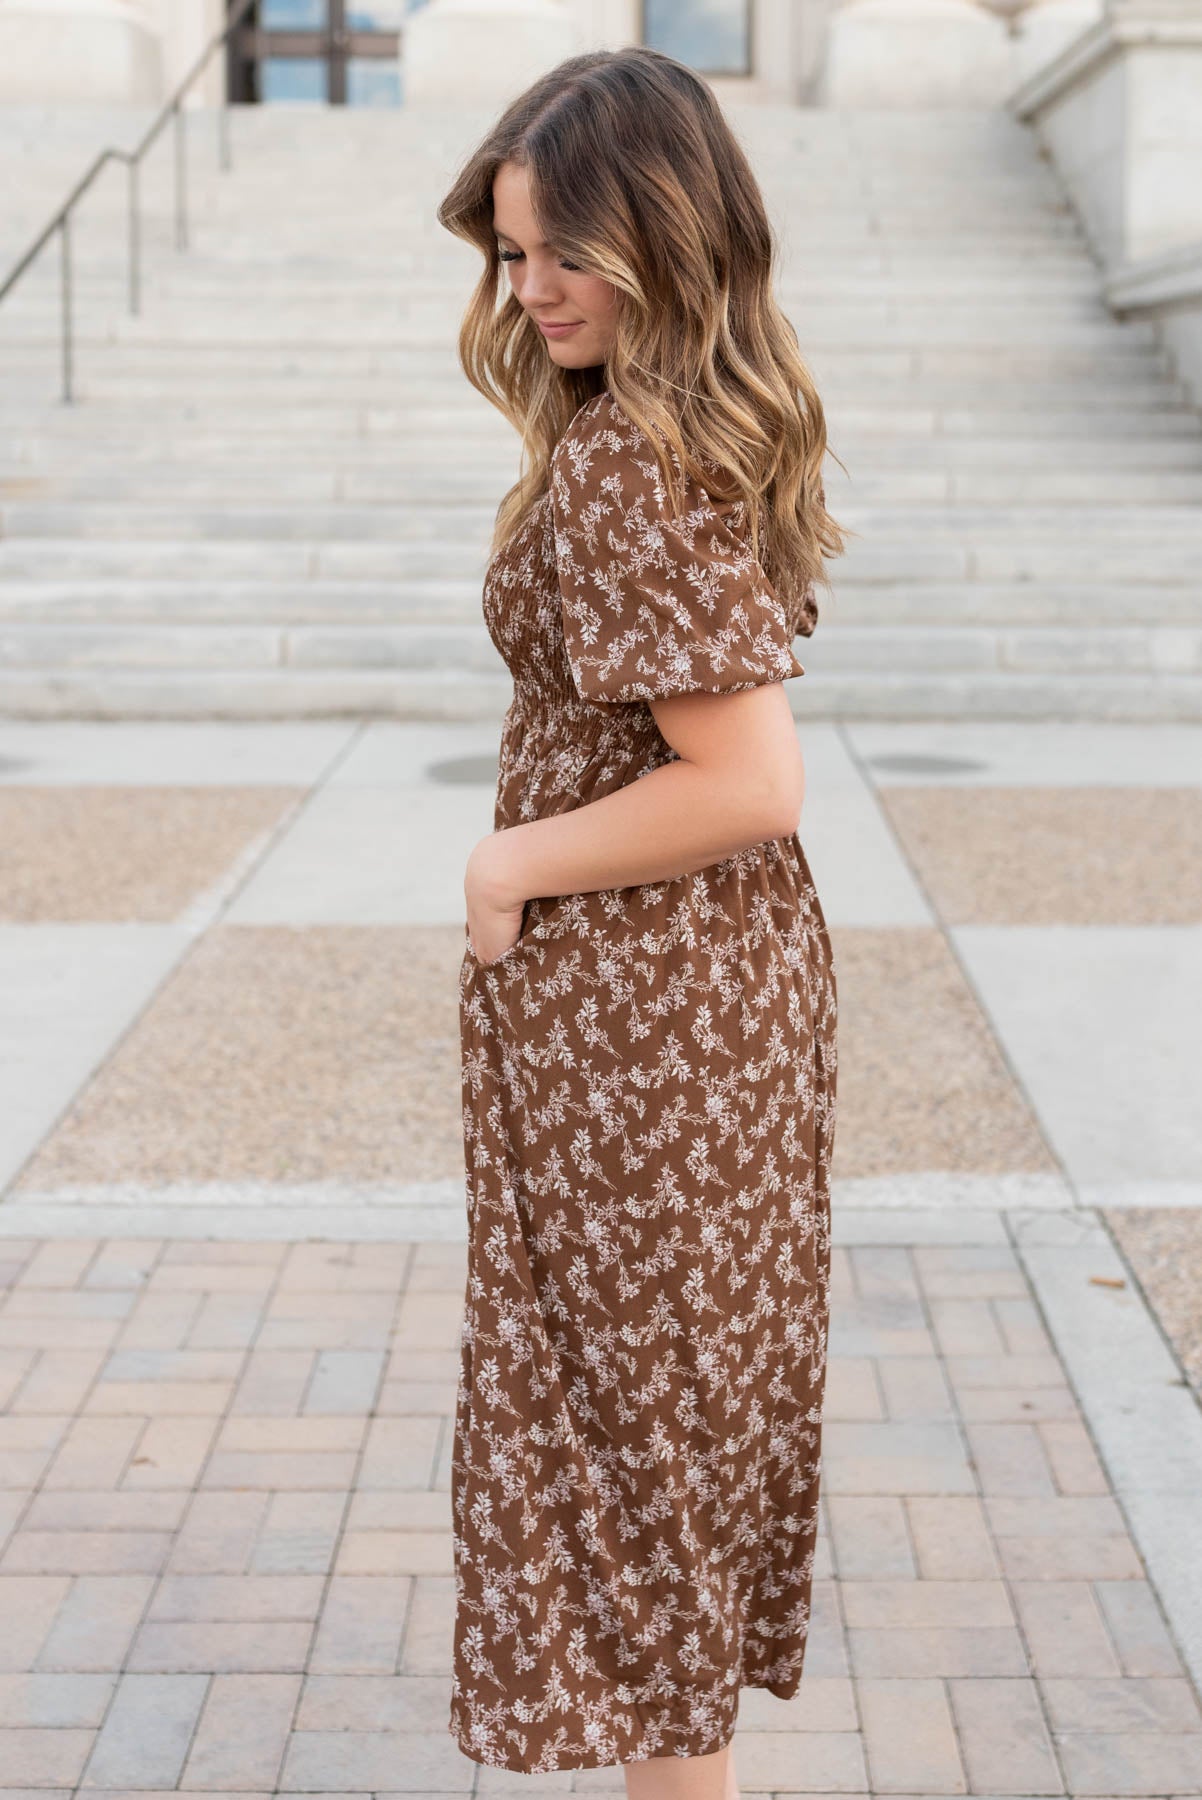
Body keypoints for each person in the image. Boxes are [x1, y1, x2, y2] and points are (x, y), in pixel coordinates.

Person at [436, 45, 845, 1799]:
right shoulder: (670, 433)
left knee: (629, 1452)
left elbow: (750, 782)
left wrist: (506, 868)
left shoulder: (626, 464)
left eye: (562, 255)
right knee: (659, 1437)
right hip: (698, 1007)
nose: (528, 295)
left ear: (664, 236)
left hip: (646, 1031)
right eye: (511, 256)